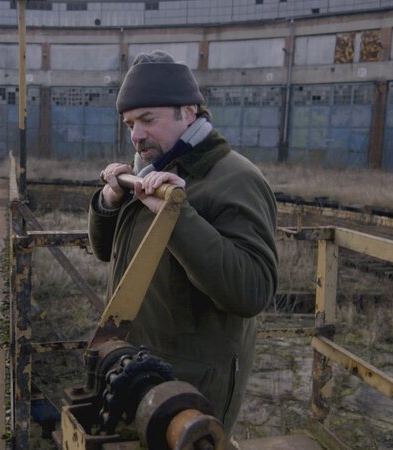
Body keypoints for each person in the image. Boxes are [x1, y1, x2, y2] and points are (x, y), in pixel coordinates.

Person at [88, 49, 278, 439]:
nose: (136, 135)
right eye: (129, 123)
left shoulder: (234, 178)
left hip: (191, 389)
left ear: (189, 112)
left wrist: (177, 216)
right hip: (136, 372)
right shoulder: (150, 173)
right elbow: (107, 253)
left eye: (148, 120)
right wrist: (109, 202)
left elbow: (252, 291)